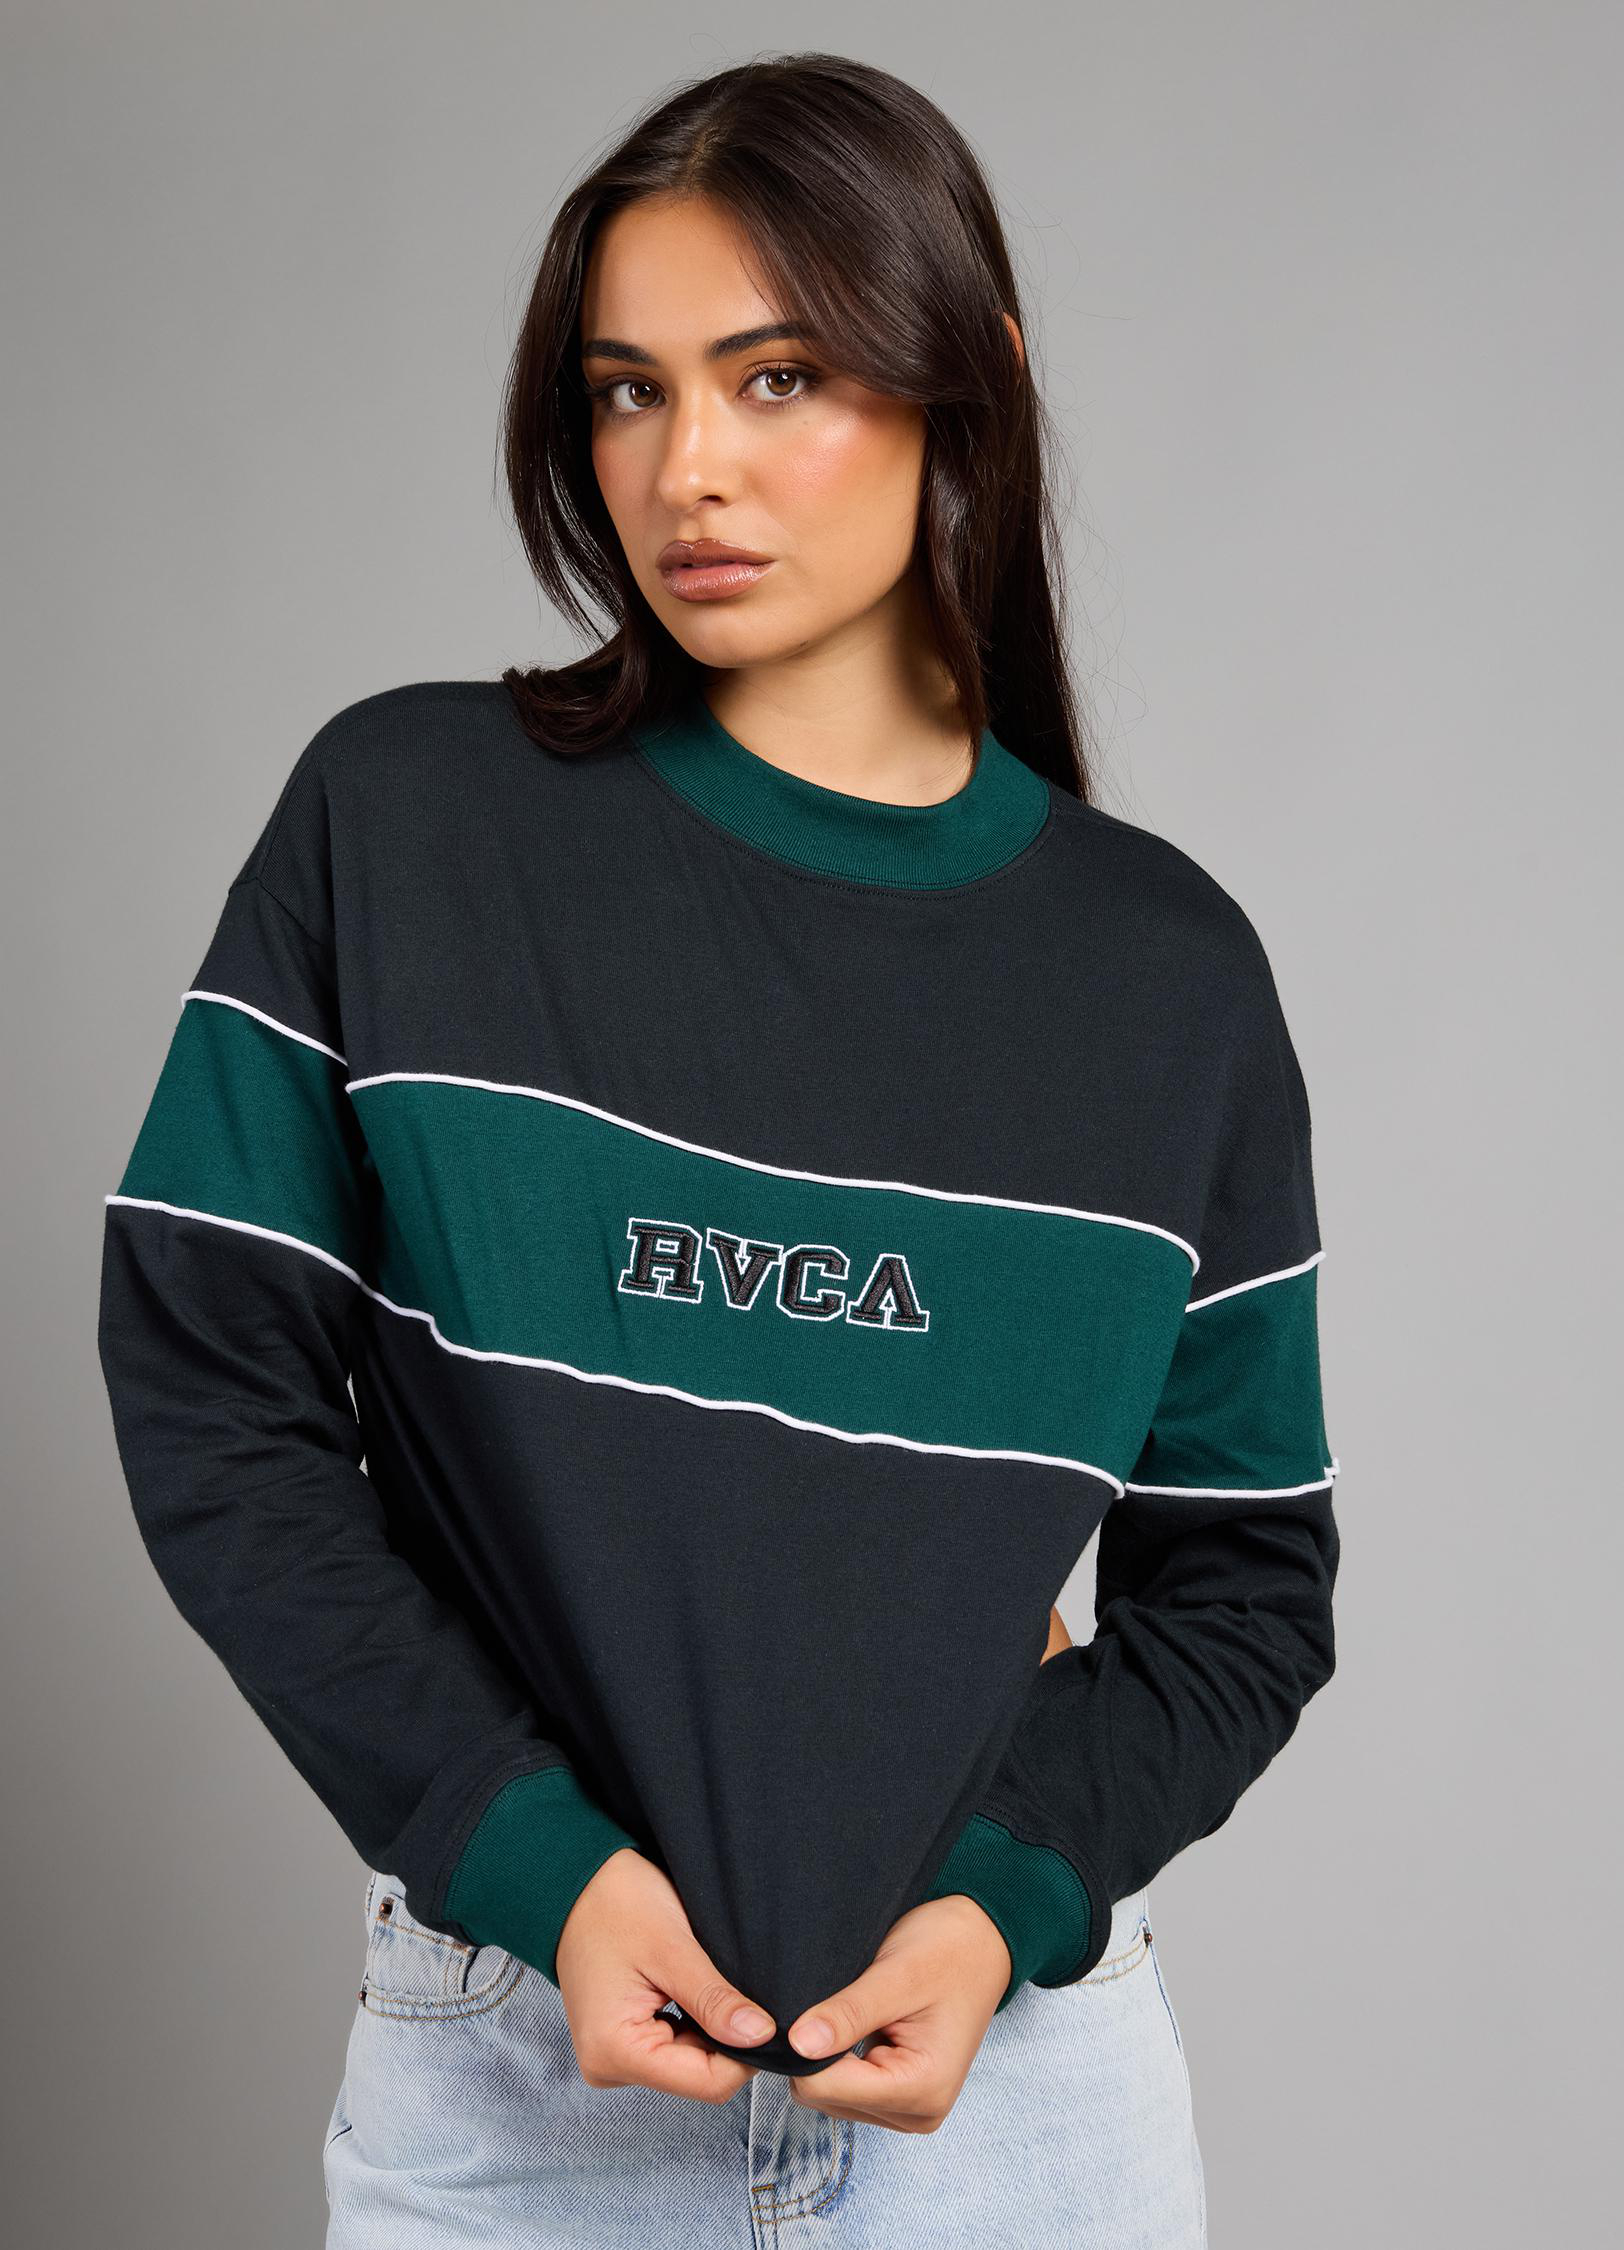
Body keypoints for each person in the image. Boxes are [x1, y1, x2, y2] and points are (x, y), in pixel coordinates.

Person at [96, 50, 1339, 2248]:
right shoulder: (406, 827)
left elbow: (1243, 1583)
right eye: (628, 392)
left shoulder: (1167, 980)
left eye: (779, 379)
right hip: (520, 2089)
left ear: (969, 376)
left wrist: (1008, 1908)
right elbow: (215, 1399)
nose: (691, 470)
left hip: (1017, 2119)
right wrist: (531, 1863)